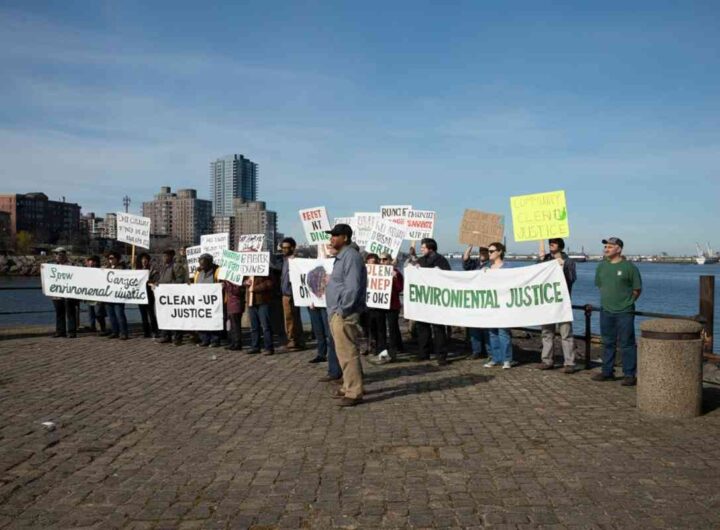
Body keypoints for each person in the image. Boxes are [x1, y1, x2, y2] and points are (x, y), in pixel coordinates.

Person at [325, 223, 367, 407]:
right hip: (337, 312)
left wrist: (342, 310)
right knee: (342, 353)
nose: (332, 238)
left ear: (345, 238)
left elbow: (352, 287)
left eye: (335, 235)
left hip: (344, 314)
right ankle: (348, 385)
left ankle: (354, 392)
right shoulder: (342, 257)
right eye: (331, 235)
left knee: (348, 353)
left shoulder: (351, 256)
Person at [592, 237, 642, 386]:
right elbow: (600, 286)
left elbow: (637, 289)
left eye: (610, 246)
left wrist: (628, 302)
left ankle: (629, 374)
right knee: (607, 342)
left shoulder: (629, 267)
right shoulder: (601, 267)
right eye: (605, 247)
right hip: (606, 310)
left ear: (619, 249)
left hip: (625, 311)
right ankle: (607, 372)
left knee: (627, 343)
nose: (606, 249)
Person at [410, 238, 451, 366]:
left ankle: (441, 356)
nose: (421, 249)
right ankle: (424, 353)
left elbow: (448, 276)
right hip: (424, 300)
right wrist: (414, 269)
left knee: (438, 329)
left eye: (423, 247)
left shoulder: (441, 260)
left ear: (430, 248)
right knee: (422, 328)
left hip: (436, 300)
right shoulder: (421, 260)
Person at [538, 238, 577, 373]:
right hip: (547, 303)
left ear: (560, 246)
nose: (550, 246)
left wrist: (563, 265)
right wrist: (541, 260)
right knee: (547, 333)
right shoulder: (545, 259)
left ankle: (569, 363)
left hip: (562, 303)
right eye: (549, 244)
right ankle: (546, 360)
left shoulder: (569, 261)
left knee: (566, 333)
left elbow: (572, 278)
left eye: (553, 244)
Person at [483, 242, 514, 369]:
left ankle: (507, 359)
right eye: (488, 251)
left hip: (504, 305)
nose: (488, 253)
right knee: (492, 332)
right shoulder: (487, 267)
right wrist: (482, 274)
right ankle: (495, 358)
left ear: (499, 252)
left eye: (491, 251)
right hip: (491, 305)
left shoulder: (508, 267)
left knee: (503, 332)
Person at [155, 249, 189, 345]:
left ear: (171, 256)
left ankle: (177, 338)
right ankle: (166, 335)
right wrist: (157, 284)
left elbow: (180, 280)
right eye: (163, 256)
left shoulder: (176, 267)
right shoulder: (163, 267)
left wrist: (168, 286)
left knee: (176, 317)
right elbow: (161, 279)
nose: (164, 258)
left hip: (174, 296)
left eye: (166, 256)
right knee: (165, 316)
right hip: (165, 297)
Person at [463, 245, 491, 359]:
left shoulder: (491, 264)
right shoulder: (475, 263)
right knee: (473, 326)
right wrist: (470, 246)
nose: (483, 253)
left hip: (486, 299)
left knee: (486, 328)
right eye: (481, 251)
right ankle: (476, 351)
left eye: (485, 251)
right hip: (474, 299)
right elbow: (465, 260)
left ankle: (489, 352)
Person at [279, 237, 306, 352]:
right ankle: (296, 340)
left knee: (291, 318)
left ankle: (293, 341)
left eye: (286, 248)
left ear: (292, 248)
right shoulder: (284, 260)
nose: (284, 250)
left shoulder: (296, 260)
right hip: (285, 293)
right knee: (290, 318)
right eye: (282, 248)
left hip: (292, 293)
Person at [50, 247, 79, 338]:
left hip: (69, 293)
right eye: (56, 254)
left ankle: (71, 332)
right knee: (59, 313)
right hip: (57, 294)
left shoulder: (72, 265)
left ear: (64, 255)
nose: (57, 256)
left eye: (59, 254)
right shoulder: (52, 266)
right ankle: (60, 331)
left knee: (70, 313)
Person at [194, 253, 222, 347]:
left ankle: (215, 340)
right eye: (200, 264)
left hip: (213, 303)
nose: (201, 266)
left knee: (214, 321)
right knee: (202, 321)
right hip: (201, 302)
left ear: (210, 263)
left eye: (204, 264)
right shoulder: (198, 273)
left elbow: (221, 285)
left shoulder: (217, 272)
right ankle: (204, 339)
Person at [381, 252, 404, 361]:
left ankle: (393, 350)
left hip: (393, 304)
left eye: (385, 259)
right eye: (381, 260)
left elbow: (400, 288)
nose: (382, 262)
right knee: (383, 328)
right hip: (380, 304)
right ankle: (388, 348)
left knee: (393, 327)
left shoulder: (397, 273)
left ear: (390, 260)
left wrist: (395, 278)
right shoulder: (377, 272)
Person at [245, 273, 275, 355]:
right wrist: (245, 282)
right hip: (251, 302)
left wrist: (255, 288)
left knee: (266, 326)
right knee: (254, 327)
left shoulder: (265, 268)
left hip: (263, 301)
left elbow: (270, 283)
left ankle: (269, 347)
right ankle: (255, 346)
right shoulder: (247, 268)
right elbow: (243, 280)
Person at [104, 251, 129, 340]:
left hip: (118, 295)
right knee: (111, 315)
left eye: (111, 258)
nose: (110, 260)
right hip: (108, 295)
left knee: (119, 314)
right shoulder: (107, 268)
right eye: (109, 258)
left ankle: (123, 332)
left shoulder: (121, 268)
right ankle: (115, 331)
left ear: (116, 259)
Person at [137, 252, 159, 339]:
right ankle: (146, 332)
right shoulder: (138, 270)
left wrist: (151, 281)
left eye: (146, 259)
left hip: (149, 294)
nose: (144, 261)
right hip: (140, 295)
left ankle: (155, 331)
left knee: (151, 314)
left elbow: (155, 279)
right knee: (143, 315)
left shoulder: (152, 270)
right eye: (143, 259)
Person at [85, 255, 107, 335]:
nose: (89, 263)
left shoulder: (101, 270)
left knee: (99, 312)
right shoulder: (86, 271)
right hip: (89, 295)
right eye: (89, 261)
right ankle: (92, 326)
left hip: (98, 295)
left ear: (95, 262)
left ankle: (102, 328)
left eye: (91, 261)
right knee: (91, 312)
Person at [223, 279, 245, 351]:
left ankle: (237, 343)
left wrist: (227, 285)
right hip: (230, 305)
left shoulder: (237, 280)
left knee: (235, 325)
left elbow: (236, 291)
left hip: (236, 305)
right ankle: (232, 342)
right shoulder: (228, 281)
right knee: (230, 325)